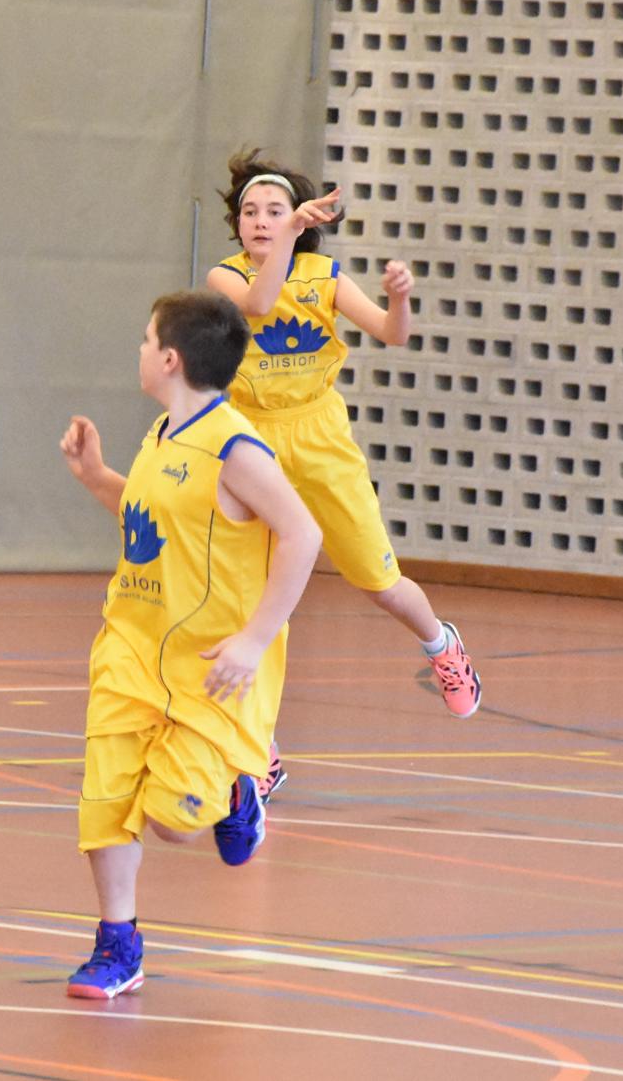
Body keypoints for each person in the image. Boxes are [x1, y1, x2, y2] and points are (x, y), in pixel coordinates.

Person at [56, 290, 319, 1000]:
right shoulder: (162, 432)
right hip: (129, 648)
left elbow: (304, 534)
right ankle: (118, 944)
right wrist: (96, 477)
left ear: (170, 359)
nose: (140, 349)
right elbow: (151, 519)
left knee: (173, 820)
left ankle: (238, 789)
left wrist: (254, 639)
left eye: (147, 340)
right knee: (105, 800)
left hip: (209, 667)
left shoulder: (236, 449)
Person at [203, 151, 480, 789]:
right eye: (250, 212)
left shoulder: (325, 277)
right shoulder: (226, 276)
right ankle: (258, 750)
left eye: (275, 211)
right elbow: (260, 304)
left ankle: (442, 645)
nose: (261, 221)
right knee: (251, 606)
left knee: (379, 581)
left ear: (299, 218)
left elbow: (392, 333)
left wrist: (399, 299)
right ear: (237, 224)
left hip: (320, 437)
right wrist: (292, 231)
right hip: (249, 439)